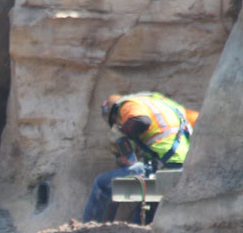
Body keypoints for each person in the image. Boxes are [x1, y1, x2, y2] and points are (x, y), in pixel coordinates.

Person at [83, 92, 197, 223]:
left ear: (114, 114)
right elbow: (198, 119)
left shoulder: (126, 105)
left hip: (163, 166)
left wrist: (122, 133)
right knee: (142, 217)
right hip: (184, 164)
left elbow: (141, 120)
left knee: (102, 183)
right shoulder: (166, 104)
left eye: (115, 121)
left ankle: (89, 232)